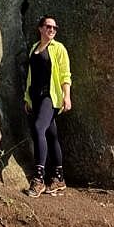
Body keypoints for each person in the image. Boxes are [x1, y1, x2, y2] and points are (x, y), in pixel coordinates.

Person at [24, 15, 71, 197]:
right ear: (40, 28)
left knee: (38, 129)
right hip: (36, 97)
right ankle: (59, 178)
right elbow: (30, 76)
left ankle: (39, 178)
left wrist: (66, 96)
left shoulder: (58, 49)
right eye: (48, 27)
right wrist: (27, 98)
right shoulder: (34, 49)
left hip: (49, 97)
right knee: (51, 135)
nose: (52, 30)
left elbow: (65, 74)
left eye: (54, 28)